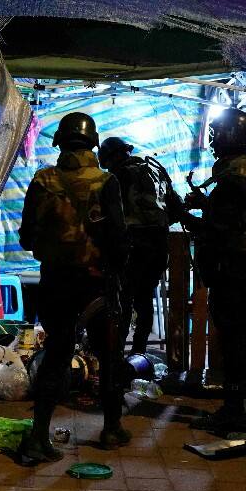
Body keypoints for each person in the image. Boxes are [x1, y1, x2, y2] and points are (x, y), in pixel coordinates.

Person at [18, 112, 130, 462]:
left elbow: (25, 238)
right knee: (109, 356)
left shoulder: (42, 180)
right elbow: (119, 240)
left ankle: (39, 436)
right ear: (93, 143)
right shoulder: (107, 182)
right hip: (97, 285)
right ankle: (111, 429)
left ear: (60, 143)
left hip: (54, 281)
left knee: (56, 354)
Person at [180, 108, 246, 431]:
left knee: (234, 342)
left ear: (229, 137)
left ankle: (235, 410)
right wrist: (207, 206)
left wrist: (186, 217)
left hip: (229, 268)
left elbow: (218, 230)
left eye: (217, 134)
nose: (213, 141)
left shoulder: (232, 180)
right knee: (241, 339)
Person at [98, 136, 183, 354]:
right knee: (144, 301)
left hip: (131, 248)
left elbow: (109, 217)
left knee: (122, 303)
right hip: (158, 246)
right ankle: (139, 354)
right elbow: (174, 210)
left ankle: (116, 358)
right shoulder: (156, 171)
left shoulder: (117, 177)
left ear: (111, 157)